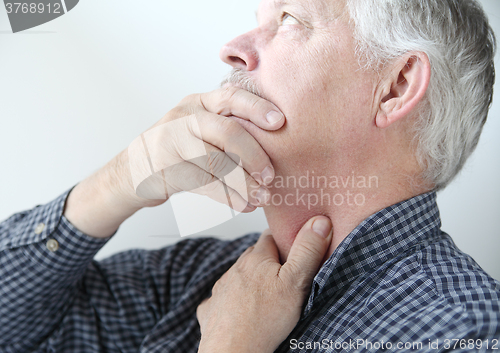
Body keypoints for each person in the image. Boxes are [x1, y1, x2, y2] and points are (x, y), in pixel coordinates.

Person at [1, 0, 499, 351]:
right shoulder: (195, 280)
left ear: (396, 86)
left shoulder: (461, 329)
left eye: (288, 19)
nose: (232, 50)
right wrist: (117, 182)